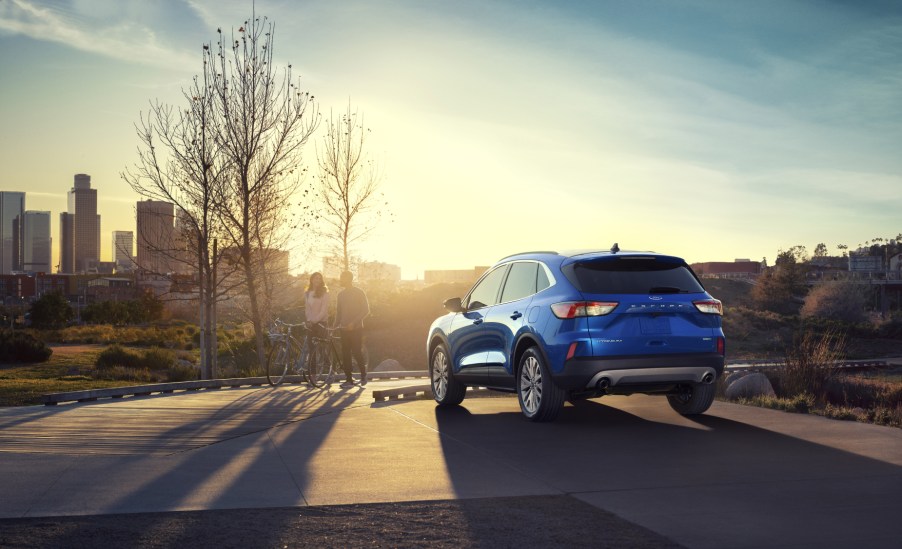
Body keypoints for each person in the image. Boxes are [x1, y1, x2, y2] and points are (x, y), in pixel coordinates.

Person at [335, 270, 369, 387]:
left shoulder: (359, 292)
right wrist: (334, 326)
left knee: (356, 352)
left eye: (342, 277)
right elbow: (338, 313)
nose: (340, 280)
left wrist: (353, 323)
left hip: (356, 329)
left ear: (349, 279)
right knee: (345, 354)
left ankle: (363, 374)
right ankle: (349, 379)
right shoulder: (340, 295)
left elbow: (365, 310)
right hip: (343, 329)